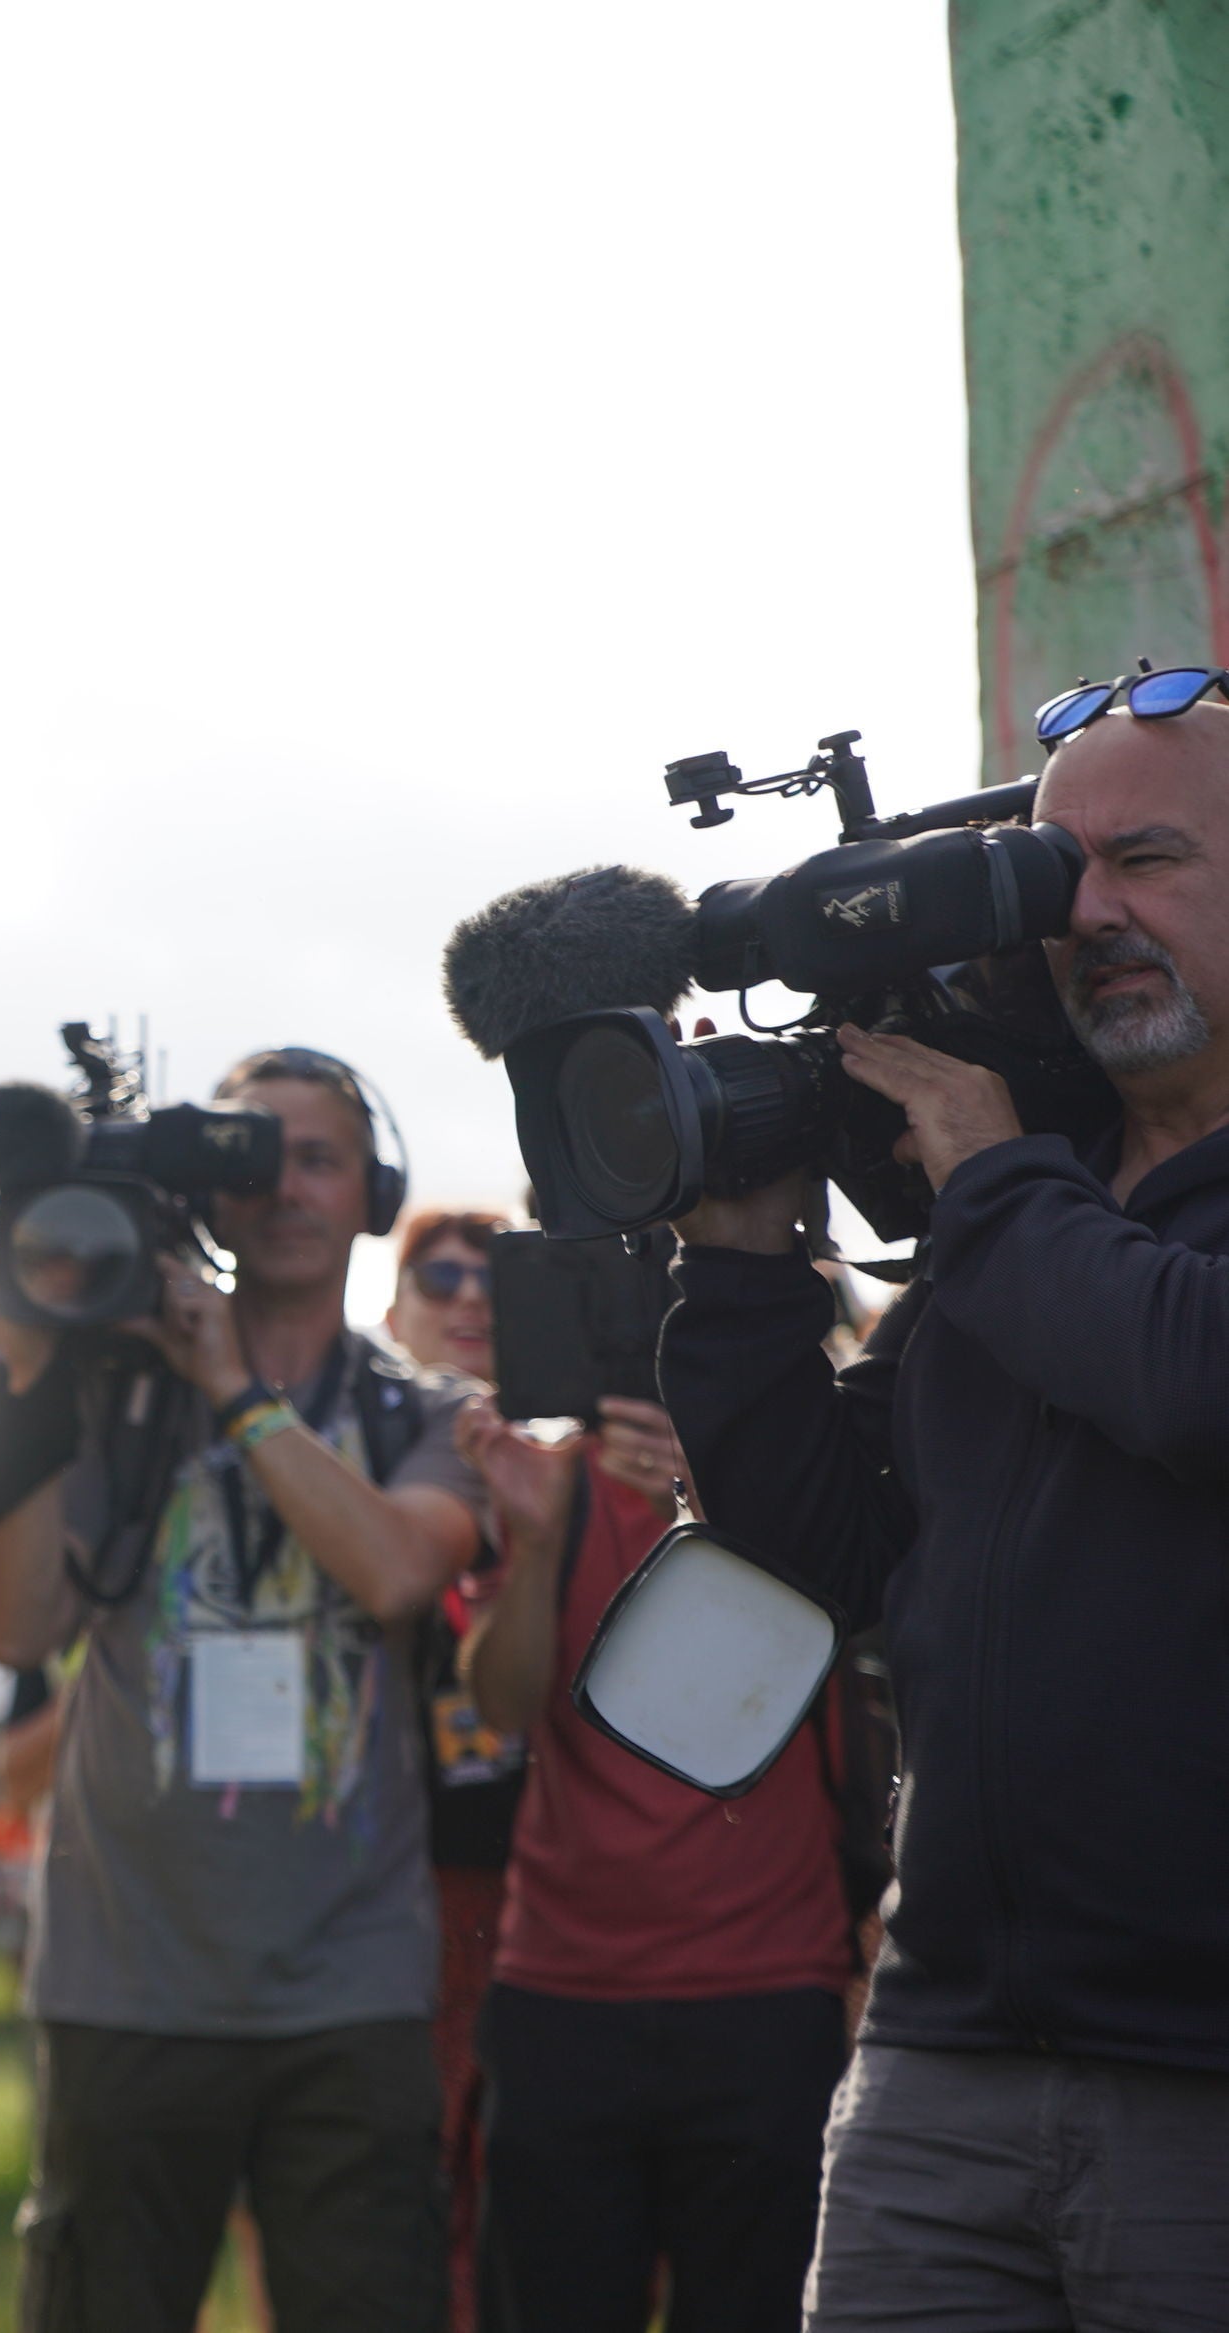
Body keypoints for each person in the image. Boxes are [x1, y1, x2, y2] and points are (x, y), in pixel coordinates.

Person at [657, 682, 1229, 2329]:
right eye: (1056, 871)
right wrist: (740, 1264)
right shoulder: (1024, 1205)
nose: (1090, 912)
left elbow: (1192, 1374)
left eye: (1145, 860)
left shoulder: (1009, 1199)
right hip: (941, 2056)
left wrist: (988, 1181)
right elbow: (821, 1549)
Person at [0, 1047, 489, 2333]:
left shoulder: (420, 1408)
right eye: (250, 1155)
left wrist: (231, 1389)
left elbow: (390, 1571)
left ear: (374, 1188)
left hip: (348, 1990)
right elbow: (14, 1621)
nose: (285, 1187)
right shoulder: (112, 1388)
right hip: (125, 1980)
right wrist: (27, 1376)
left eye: (317, 1158)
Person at [448, 1377, 855, 2333]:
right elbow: (503, 1704)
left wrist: (723, 1501)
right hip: (566, 1993)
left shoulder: (808, 1468)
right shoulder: (551, 1482)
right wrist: (539, 1538)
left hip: (766, 1986)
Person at [379, 1206, 514, 2333]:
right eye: (439, 1277)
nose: (469, 1296)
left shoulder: (598, 1472)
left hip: (554, 1902)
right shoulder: (335, 1471)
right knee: (392, 2208)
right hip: (393, 1895)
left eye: (497, 1276)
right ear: (391, 1313)